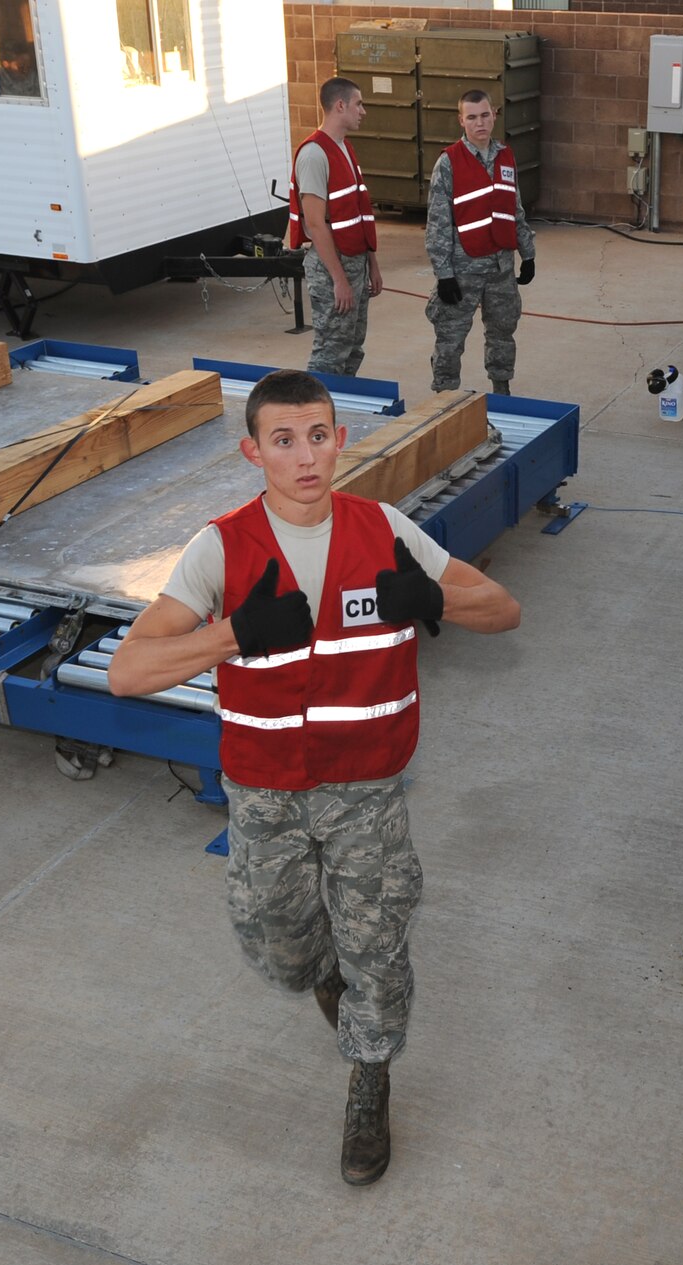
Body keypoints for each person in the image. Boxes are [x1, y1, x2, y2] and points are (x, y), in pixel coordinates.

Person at [107, 370, 521, 1186]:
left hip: (368, 790)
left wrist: (428, 594)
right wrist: (235, 633)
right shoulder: (220, 547)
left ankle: (370, 1074)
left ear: (339, 440)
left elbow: (503, 608)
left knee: (379, 945)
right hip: (264, 795)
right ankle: (326, 975)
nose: (306, 457)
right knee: (283, 952)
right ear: (252, 450)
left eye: (320, 435)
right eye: (285, 440)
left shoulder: (386, 530)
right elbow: (129, 670)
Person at [424, 89, 537, 395]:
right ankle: (444, 398)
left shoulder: (505, 156)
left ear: (494, 115)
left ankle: (502, 390)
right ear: (461, 120)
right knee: (450, 337)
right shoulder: (448, 163)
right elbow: (437, 224)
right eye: (472, 117)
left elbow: (515, 209)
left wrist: (527, 254)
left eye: (485, 115)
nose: (479, 123)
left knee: (502, 333)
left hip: (501, 268)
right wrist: (444, 274)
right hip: (462, 272)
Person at [289, 78, 384, 377]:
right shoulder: (314, 154)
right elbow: (315, 223)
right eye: (358, 104)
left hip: (355, 265)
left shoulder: (344, 148)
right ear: (340, 105)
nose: (363, 111)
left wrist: (372, 264)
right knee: (331, 352)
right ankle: (315, 413)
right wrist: (339, 280)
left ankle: (343, 408)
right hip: (333, 269)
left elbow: (358, 214)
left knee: (353, 345)